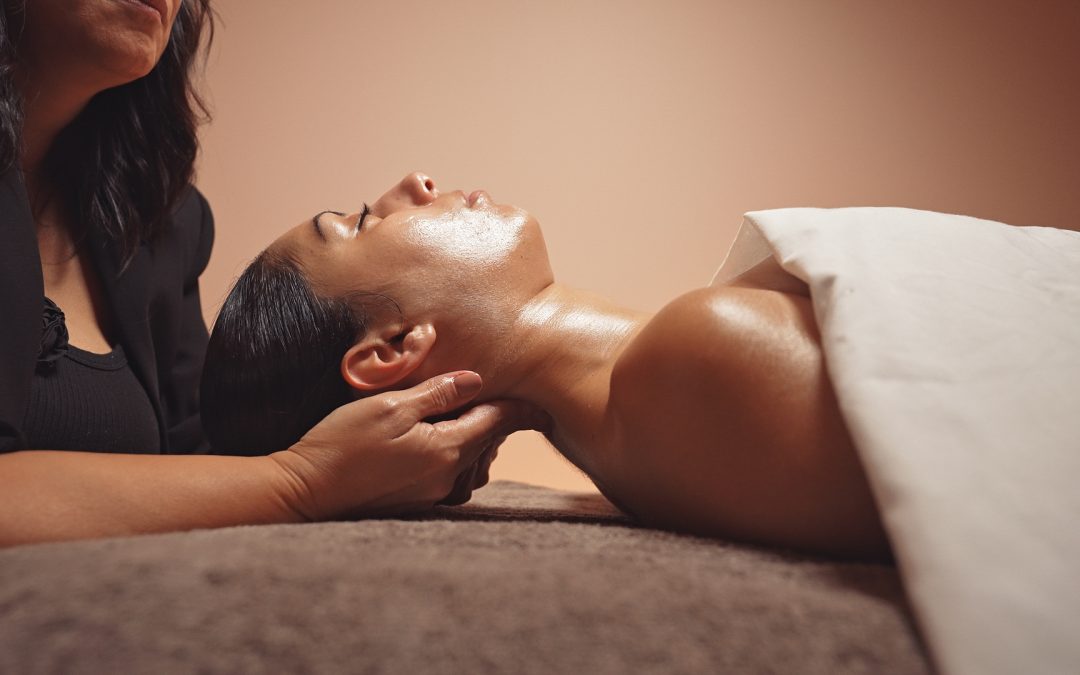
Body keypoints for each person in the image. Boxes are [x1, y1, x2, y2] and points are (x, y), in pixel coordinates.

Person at [0, 1, 542, 548]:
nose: (419, 182)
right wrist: (306, 481)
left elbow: (207, 459)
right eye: (357, 222)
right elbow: (275, 477)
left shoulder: (159, 219)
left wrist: (406, 450)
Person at [201, 172, 892, 561]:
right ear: (394, 347)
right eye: (360, 222)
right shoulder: (696, 359)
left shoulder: (650, 435)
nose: (414, 182)